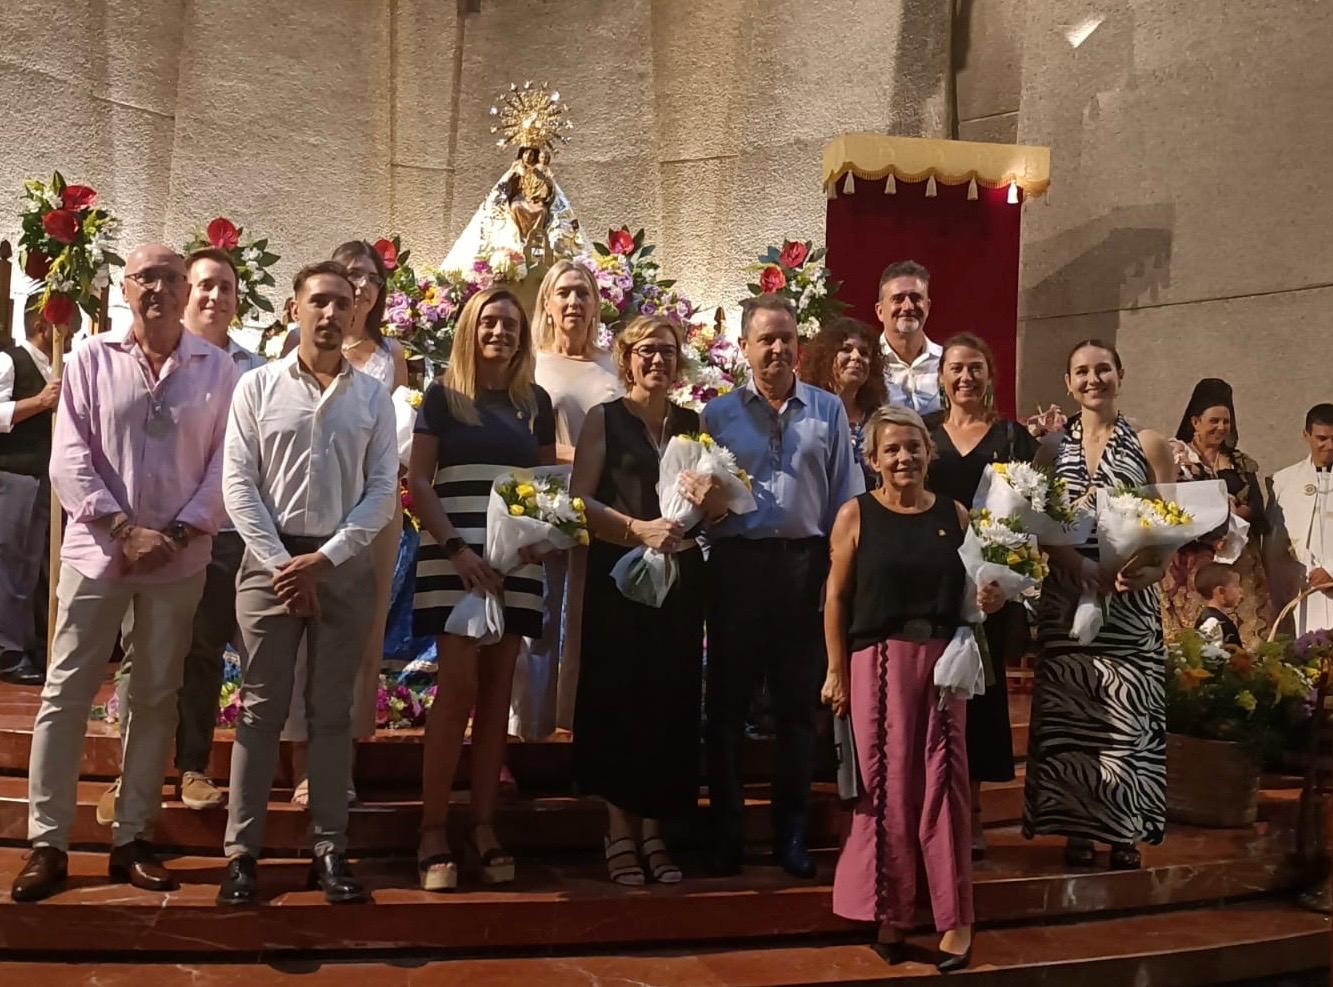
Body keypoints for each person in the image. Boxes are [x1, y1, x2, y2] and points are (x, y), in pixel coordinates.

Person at [11, 244, 237, 902]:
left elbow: (226, 461)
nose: (158, 289)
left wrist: (175, 531)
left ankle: (131, 834)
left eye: (171, 277)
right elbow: (68, 455)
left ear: (184, 286)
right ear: (125, 290)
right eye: (145, 278)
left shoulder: (216, 368)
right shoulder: (88, 360)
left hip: (178, 556)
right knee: (67, 692)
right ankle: (48, 841)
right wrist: (121, 528)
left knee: (155, 695)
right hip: (97, 553)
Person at [216, 260, 397, 906]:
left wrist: (326, 559)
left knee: (330, 713)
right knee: (262, 710)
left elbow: (382, 490)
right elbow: (238, 483)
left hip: (342, 565)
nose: (330, 313)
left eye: (342, 303)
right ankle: (242, 854)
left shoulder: (373, 397)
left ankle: (328, 846)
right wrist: (280, 564)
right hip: (270, 566)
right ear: (293, 309)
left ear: (356, 314)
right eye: (318, 300)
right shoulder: (257, 388)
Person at [823, 405, 1003, 972]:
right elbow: (835, 598)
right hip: (875, 663)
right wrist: (833, 670)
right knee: (884, 790)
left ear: (929, 453)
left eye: (913, 447)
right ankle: (890, 912)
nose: (904, 457)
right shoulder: (855, 515)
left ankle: (956, 919)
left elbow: (975, 593)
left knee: (945, 788)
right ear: (872, 460)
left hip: (945, 664)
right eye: (891, 449)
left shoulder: (955, 513)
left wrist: (990, 599)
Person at [701, 293, 863, 878]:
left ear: (799, 346)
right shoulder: (715, 415)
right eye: (765, 338)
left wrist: (839, 579)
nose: (776, 348)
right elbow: (696, 501)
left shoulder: (828, 412)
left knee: (798, 712)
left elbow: (848, 499)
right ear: (744, 347)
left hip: (805, 568)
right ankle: (727, 835)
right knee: (725, 710)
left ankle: (790, 835)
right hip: (737, 567)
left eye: (785, 338)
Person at [100, 248, 264, 824]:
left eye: (226, 287)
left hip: (217, 532)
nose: (214, 297)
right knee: (139, 652)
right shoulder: (138, 356)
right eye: (204, 287)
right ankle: (129, 775)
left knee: (200, 649)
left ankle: (191, 764)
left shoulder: (253, 368)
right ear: (182, 293)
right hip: (141, 533)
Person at [409, 287, 556, 891]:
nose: (500, 331)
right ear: (470, 328)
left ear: (523, 335)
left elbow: (546, 486)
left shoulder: (536, 403)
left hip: (516, 562)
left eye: (511, 324)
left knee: (499, 691)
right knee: (458, 687)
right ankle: (433, 828)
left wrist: (535, 543)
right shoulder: (445, 398)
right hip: (455, 559)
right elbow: (419, 480)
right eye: (489, 322)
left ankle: (484, 825)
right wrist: (458, 550)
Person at [571, 314, 715, 885]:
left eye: (668, 352)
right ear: (626, 359)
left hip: (679, 580)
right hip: (618, 579)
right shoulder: (604, 420)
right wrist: (639, 530)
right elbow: (580, 501)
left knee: (668, 701)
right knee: (619, 698)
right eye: (647, 351)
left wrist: (713, 496)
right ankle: (619, 831)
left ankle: (655, 831)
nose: (658, 361)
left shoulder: (692, 422)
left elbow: (714, 500)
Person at [1022, 339, 1175, 871]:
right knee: (1073, 722)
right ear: (1068, 383)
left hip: (1128, 606)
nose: (1093, 380)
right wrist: (1079, 567)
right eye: (1082, 372)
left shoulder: (1151, 444)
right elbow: (1041, 529)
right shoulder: (1049, 450)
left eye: (1102, 369)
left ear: (1120, 375)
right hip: (1068, 601)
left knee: (1124, 720)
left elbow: (1168, 528)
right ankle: (1078, 830)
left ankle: (1124, 831)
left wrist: (1150, 568)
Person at [283, 240, 408, 807]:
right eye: (349, 274)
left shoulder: (392, 354)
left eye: (369, 277)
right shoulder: (296, 345)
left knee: (356, 643)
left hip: (370, 516)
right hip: (305, 515)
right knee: (298, 647)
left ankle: (342, 764)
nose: (359, 286)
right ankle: (301, 766)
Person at [927, 333, 1038, 858]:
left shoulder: (1013, 439)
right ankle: (930, 812)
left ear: (989, 375)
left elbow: (1032, 522)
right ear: (941, 376)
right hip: (930, 587)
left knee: (977, 702)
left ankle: (969, 815)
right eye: (956, 368)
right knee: (930, 699)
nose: (966, 377)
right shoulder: (921, 433)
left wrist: (1004, 580)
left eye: (975, 368)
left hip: (990, 593)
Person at [530, 259, 622, 739]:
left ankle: (579, 721)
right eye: (564, 293)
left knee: (589, 615)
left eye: (583, 293)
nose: (573, 302)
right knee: (543, 614)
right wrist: (584, 455)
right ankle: (532, 726)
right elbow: (528, 437)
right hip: (547, 501)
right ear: (547, 303)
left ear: (596, 305)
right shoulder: (533, 363)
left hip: (603, 504)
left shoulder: (612, 366)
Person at [1160, 378, 1271, 644]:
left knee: (1241, 633)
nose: (1221, 428)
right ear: (1195, 422)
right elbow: (1165, 505)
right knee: (1192, 635)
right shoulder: (1176, 458)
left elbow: (1257, 506)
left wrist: (1238, 514)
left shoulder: (1239, 462)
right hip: (1188, 560)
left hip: (1235, 559)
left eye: (1226, 421)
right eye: (1214, 421)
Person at [0, 303, 68, 686]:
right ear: (45, 323)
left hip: (48, 477)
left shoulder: (59, 365)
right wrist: (40, 403)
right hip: (16, 473)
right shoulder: (10, 362)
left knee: (41, 565)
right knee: (13, 565)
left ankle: (36, 641)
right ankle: (7, 651)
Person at [1266, 404, 1333, 636]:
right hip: (1303, 587)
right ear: (1306, 435)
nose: (1329, 446)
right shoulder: (1283, 481)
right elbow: (1275, 545)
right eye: (1321, 438)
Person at [798, 316, 887, 489]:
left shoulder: (878, 419)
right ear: (826, 357)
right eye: (846, 349)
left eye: (864, 353)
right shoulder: (805, 412)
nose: (856, 357)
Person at [875, 260, 942, 423]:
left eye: (915, 298)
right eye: (898, 299)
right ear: (880, 311)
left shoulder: (947, 362)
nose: (908, 306)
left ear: (928, 307)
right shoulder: (868, 363)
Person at [1194, 563, 1243, 648]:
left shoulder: (1219, 618)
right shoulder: (1212, 622)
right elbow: (1211, 657)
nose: (1241, 591)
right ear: (1221, 591)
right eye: (1236, 585)